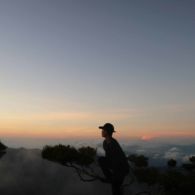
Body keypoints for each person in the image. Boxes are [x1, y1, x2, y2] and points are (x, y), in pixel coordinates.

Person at [98, 123, 129, 195]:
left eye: (103, 130)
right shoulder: (105, 142)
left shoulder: (113, 143)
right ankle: (110, 178)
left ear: (107, 132)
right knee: (101, 160)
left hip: (121, 169)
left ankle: (111, 179)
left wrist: (115, 176)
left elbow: (118, 160)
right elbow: (109, 158)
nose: (102, 131)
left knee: (116, 189)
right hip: (116, 167)